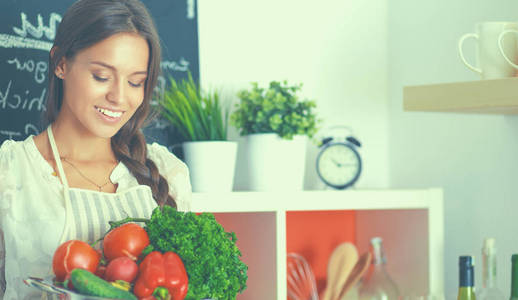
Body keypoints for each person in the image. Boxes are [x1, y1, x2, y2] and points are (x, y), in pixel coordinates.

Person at [0, 0, 192, 299]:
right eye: (101, 76)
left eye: (135, 82)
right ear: (61, 63)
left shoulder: (166, 171)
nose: (118, 96)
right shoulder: (9, 172)